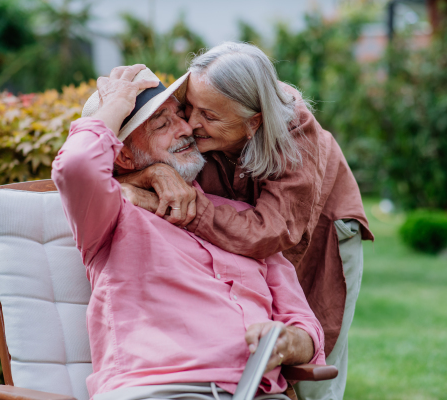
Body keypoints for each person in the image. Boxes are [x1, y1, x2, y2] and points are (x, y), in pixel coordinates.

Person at [114, 43, 375, 400]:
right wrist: (153, 175)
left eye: (209, 115)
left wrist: (193, 209)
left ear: (254, 123)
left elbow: (268, 231)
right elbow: (93, 178)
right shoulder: (193, 124)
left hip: (320, 231)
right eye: (189, 107)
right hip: (242, 234)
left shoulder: (293, 130)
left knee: (313, 358)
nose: (190, 124)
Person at [51, 64, 325, 400]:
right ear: (121, 154)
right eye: (163, 124)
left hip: (255, 391)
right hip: (158, 390)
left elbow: (304, 324)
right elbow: (77, 166)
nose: (186, 128)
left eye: (181, 115)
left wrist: (288, 342)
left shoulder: (243, 222)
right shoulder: (113, 215)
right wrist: (117, 103)